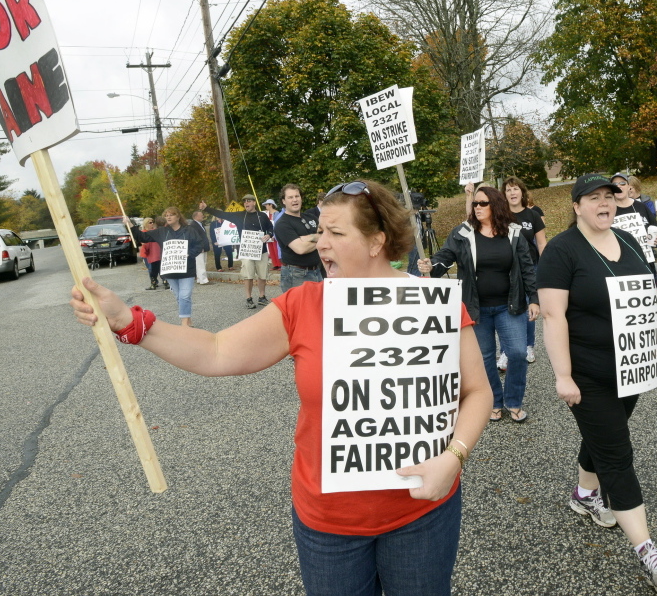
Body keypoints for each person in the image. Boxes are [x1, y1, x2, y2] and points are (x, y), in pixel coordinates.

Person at [71, 179, 493, 595]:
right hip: (329, 524)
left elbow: (477, 392)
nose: (319, 242)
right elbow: (217, 351)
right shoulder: (303, 304)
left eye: (335, 233)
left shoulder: (432, 303)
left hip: (423, 512)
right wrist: (131, 322)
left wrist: (454, 457)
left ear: (376, 241)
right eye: (320, 230)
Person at [538, 173, 657, 592]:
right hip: (587, 375)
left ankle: (583, 495)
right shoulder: (561, 250)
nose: (604, 203)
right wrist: (562, 375)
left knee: (603, 435)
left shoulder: (627, 240)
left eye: (609, 196)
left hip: (631, 369)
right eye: (594, 198)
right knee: (616, 454)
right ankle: (648, 552)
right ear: (576, 206)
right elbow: (554, 316)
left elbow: (652, 298)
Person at [418, 186, 539, 423]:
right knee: (484, 358)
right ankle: (494, 401)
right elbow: (445, 257)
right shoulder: (462, 233)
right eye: (475, 204)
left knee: (516, 353)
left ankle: (513, 401)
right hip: (475, 308)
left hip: (509, 306)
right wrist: (431, 266)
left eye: (483, 203)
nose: (477, 207)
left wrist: (534, 298)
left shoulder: (514, 233)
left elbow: (527, 268)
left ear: (496, 205)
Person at [129, 207, 204, 327]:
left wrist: (189, 253)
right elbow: (142, 237)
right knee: (180, 297)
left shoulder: (189, 230)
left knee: (185, 295)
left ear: (178, 216)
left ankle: (184, 323)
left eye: (171, 215)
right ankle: (188, 319)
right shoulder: (161, 232)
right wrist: (130, 225)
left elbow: (200, 244)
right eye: (166, 215)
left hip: (186, 269)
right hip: (170, 270)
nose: (168, 217)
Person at [200, 195, 274, 309]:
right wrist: (206, 208)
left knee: (262, 275)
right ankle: (249, 298)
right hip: (246, 251)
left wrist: (269, 234)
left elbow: (270, 227)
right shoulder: (239, 216)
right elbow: (222, 214)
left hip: (262, 250)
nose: (246, 203)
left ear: (254, 202)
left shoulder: (262, 216)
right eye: (244, 201)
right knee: (248, 275)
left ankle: (262, 297)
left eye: (249, 201)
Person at [502, 175, 546, 367]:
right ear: (504, 194)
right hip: (506, 269)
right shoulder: (500, 215)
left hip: (531, 268)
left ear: (522, 192)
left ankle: (528, 346)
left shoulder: (532, 215)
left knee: (530, 307)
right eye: (509, 189)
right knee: (506, 309)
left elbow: (542, 242)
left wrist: (546, 268)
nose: (512, 192)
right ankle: (505, 351)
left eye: (515, 188)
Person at [274, 183, 323, 291]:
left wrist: (308, 238)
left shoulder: (311, 217)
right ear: (283, 201)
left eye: (297, 196)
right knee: (298, 308)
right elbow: (300, 249)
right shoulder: (282, 224)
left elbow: (327, 236)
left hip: (317, 271)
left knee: (318, 306)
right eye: (290, 197)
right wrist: (319, 237)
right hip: (296, 275)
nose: (294, 200)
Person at [137, 218, 162, 291]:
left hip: (156, 252)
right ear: (146, 224)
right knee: (151, 268)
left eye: (152, 222)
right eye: (150, 223)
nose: (152, 224)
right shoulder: (144, 232)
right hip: (148, 253)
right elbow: (142, 242)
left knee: (159, 267)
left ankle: (164, 281)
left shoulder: (155, 232)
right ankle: (154, 282)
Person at [190, 210, 211, 285]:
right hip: (199, 248)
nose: (203, 216)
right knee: (200, 264)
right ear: (196, 216)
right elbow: (195, 237)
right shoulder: (193, 225)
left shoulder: (200, 224)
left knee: (203, 263)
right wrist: (199, 247)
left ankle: (199, 278)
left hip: (203, 247)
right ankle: (203, 280)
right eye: (201, 215)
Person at [262, 198, 283, 269]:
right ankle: (275, 264)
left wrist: (274, 234)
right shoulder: (266, 214)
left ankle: (280, 264)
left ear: (271, 205)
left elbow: (277, 224)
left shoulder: (276, 213)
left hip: (274, 234)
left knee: (276, 249)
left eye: (266, 205)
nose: (265, 206)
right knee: (271, 249)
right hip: (268, 234)